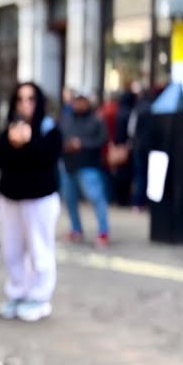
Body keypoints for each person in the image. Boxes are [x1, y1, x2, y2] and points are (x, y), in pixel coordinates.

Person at [0, 82, 64, 323]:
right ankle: (17, 292)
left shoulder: (49, 128)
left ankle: (40, 296)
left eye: (30, 99)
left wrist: (28, 143)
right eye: (20, 99)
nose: (25, 104)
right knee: (12, 249)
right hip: (11, 197)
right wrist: (12, 144)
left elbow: (47, 158)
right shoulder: (11, 127)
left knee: (40, 248)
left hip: (39, 198)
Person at [58, 89, 111, 248]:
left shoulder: (96, 119)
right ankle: (76, 229)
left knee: (95, 197)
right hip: (68, 164)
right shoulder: (66, 119)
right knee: (69, 199)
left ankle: (103, 230)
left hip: (88, 165)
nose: (79, 104)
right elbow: (59, 137)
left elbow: (102, 140)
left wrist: (82, 144)